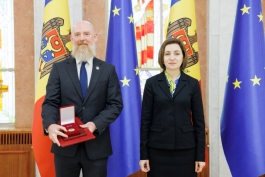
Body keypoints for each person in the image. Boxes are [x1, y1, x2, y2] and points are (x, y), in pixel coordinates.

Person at [41, 20, 123, 177]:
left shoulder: (107, 70)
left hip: (96, 147)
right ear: (71, 38)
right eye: (77, 34)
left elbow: (115, 105)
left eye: (86, 34)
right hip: (65, 146)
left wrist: (95, 124)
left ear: (95, 37)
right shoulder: (59, 69)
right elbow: (50, 102)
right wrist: (50, 125)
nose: (82, 38)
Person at [139, 38, 205, 177]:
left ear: (183, 57)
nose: (172, 58)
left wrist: (200, 156)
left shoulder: (192, 84)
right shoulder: (151, 84)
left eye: (176, 53)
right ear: (162, 58)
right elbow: (145, 122)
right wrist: (143, 155)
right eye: (167, 54)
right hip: (157, 151)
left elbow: (199, 123)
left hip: (186, 151)